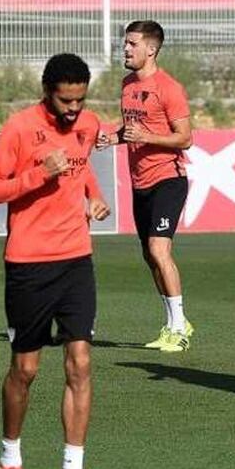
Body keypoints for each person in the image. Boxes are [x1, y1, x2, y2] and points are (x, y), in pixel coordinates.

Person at [0, 54, 110, 469]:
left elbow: (83, 162)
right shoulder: (18, 128)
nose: (74, 109)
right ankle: (10, 461)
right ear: (47, 92)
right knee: (26, 370)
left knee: (81, 363)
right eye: (65, 101)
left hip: (76, 258)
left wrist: (94, 195)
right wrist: (37, 174)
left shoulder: (88, 124)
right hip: (28, 264)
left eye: (80, 100)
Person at [96, 20, 194, 352]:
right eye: (125, 43)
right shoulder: (127, 84)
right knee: (150, 258)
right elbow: (132, 128)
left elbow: (186, 138)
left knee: (158, 250)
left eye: (132, 44)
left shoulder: (169, 88)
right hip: (140, 184)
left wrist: (147, 137)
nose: (125, 49)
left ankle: (180, 329)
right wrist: (113, 137)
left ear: (151, 49)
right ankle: (172, 323)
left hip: (168, 178)